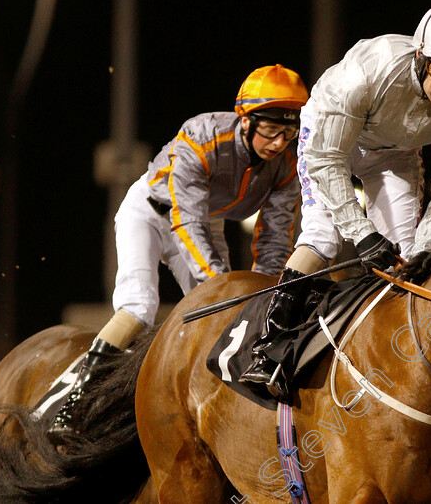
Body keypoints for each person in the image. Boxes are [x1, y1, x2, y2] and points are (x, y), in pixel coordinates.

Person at [238, 0, 431, 392]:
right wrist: (362, 234)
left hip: (393, 153)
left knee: (408, 254)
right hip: (329, 139)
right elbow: (327, 160)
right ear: (422, 56)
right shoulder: (369, 71)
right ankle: (268, 344)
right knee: (324, 237)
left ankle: (398, 356)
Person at [49, 65, 309, 435]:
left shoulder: (287, 165)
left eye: (289, 131)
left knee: (222, 313)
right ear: (246, 120)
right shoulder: (201, 134)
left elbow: (274, 238)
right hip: (152, 212)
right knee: (140, 306)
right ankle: (75, 402)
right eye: (270, 129)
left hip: (206, 221)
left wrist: (262, 292)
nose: (280, 143)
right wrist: (222, 285)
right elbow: (185, 221)